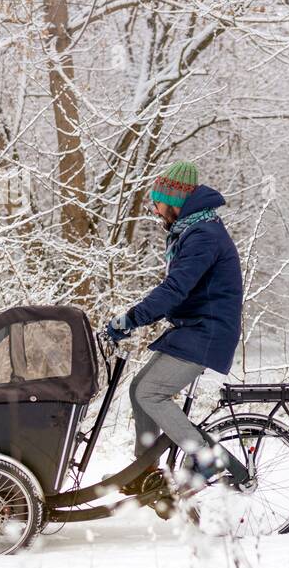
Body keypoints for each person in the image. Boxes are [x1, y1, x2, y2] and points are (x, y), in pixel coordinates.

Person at [105, 161, 245, 490]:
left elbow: (175, 289)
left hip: (207, 333)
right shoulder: (192, 230)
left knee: (151, 393)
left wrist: (132, 318)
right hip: (192, 329)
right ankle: (145, 470)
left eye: (157, 202)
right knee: (139, 390)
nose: (154, 210)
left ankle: (206, 458)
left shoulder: (204, 236)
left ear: (174, 201)